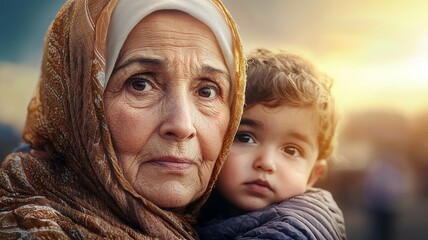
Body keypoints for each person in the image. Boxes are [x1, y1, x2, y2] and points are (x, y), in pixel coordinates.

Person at [0, 0, 246, 239]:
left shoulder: (239, 219)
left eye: (207, 91)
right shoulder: (32, 228)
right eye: (140, 84)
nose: (182, 126)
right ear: (75, 102)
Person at [197, 49, 346, 239]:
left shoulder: (289, 231)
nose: (266, 163)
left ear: (312, 176)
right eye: (246, 138)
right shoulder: (206, 212)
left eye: (291, 150)